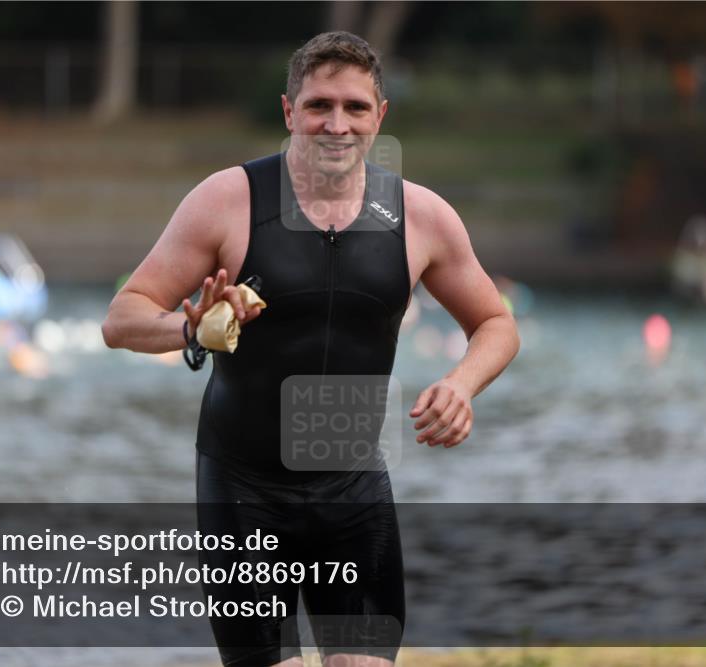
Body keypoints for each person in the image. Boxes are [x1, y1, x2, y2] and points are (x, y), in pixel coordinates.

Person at [102, 31, 520, 667]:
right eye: (319, 105)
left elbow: (495, 321)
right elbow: (123, 318)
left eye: (355, 108)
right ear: (288, 111)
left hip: (352, 490)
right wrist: (192, 329)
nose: (337, 125)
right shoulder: (227, 201)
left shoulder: (422, 217)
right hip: (244, 488)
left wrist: (462, 384)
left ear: (380, 117)